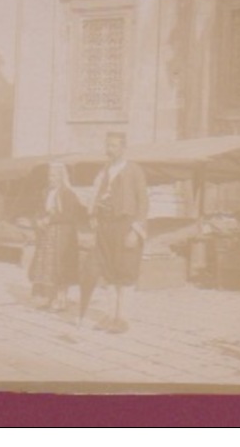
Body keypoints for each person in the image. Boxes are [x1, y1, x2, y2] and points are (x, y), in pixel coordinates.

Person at [89, 131, 149, 333]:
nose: (109, 150)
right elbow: (96, 195)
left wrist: (136, 230)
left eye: (114, 146)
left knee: (126, 271)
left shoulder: (134, 170)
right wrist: (94, 216)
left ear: (123, 148)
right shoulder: (104, 171)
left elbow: (143, 201)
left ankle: (123, 318)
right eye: (108, 145)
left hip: (126, 225)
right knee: (108, 270)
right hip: (106, 227)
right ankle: (109, 315)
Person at [28, 162, 84, 311]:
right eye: (49, 176)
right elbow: (39, 209)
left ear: (61, 177)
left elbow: (70, 215)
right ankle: (49, 298)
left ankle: (61, 300)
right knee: (47, 269)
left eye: (54, 176)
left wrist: (50, 219)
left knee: (61, 267)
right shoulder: (45, 192)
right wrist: (38, 220)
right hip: (47, 236)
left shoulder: (68, 194)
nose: (51, 179)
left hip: (62, 237)